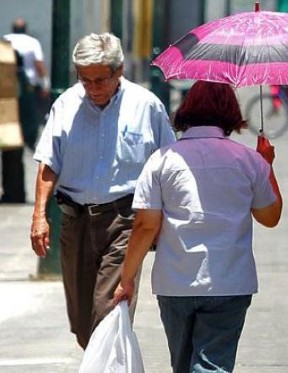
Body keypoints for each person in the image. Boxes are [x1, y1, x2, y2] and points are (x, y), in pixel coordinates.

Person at [113, 80, 283, 373]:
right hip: (230, 281)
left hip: (175, 281)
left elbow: (145, 226)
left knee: (182, 365)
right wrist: (267, 166)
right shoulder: (248, 160)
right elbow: (270, 217)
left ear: (186, 111)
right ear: (230, 112)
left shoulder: (162, 160)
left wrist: (126, 278)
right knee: (211, 366)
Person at [29, 33, 176, 349]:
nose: (93, 89)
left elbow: (169, 163)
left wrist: (167, 222)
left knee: (108, 314)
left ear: (119, 70)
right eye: (86, 81)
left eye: (100, 80)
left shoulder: (146, 106)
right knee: (83, 325)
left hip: (125, 222)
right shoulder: (66, 104)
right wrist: (39, 215)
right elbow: (48, 164)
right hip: (75, 221)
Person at [3, 17, 50, 150]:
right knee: (30, 114)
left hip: (8, 85)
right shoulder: (32, 42)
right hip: (29, 85)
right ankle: (29, 140)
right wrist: (45, 84)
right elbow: (39, 65)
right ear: (26, 29)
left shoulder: (5, 40)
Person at [0, 41, 26, 204]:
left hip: (13, 122)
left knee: (13, 159)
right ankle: (14, 192)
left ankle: (14, 193)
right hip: (11, 121)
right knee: (13, 159)